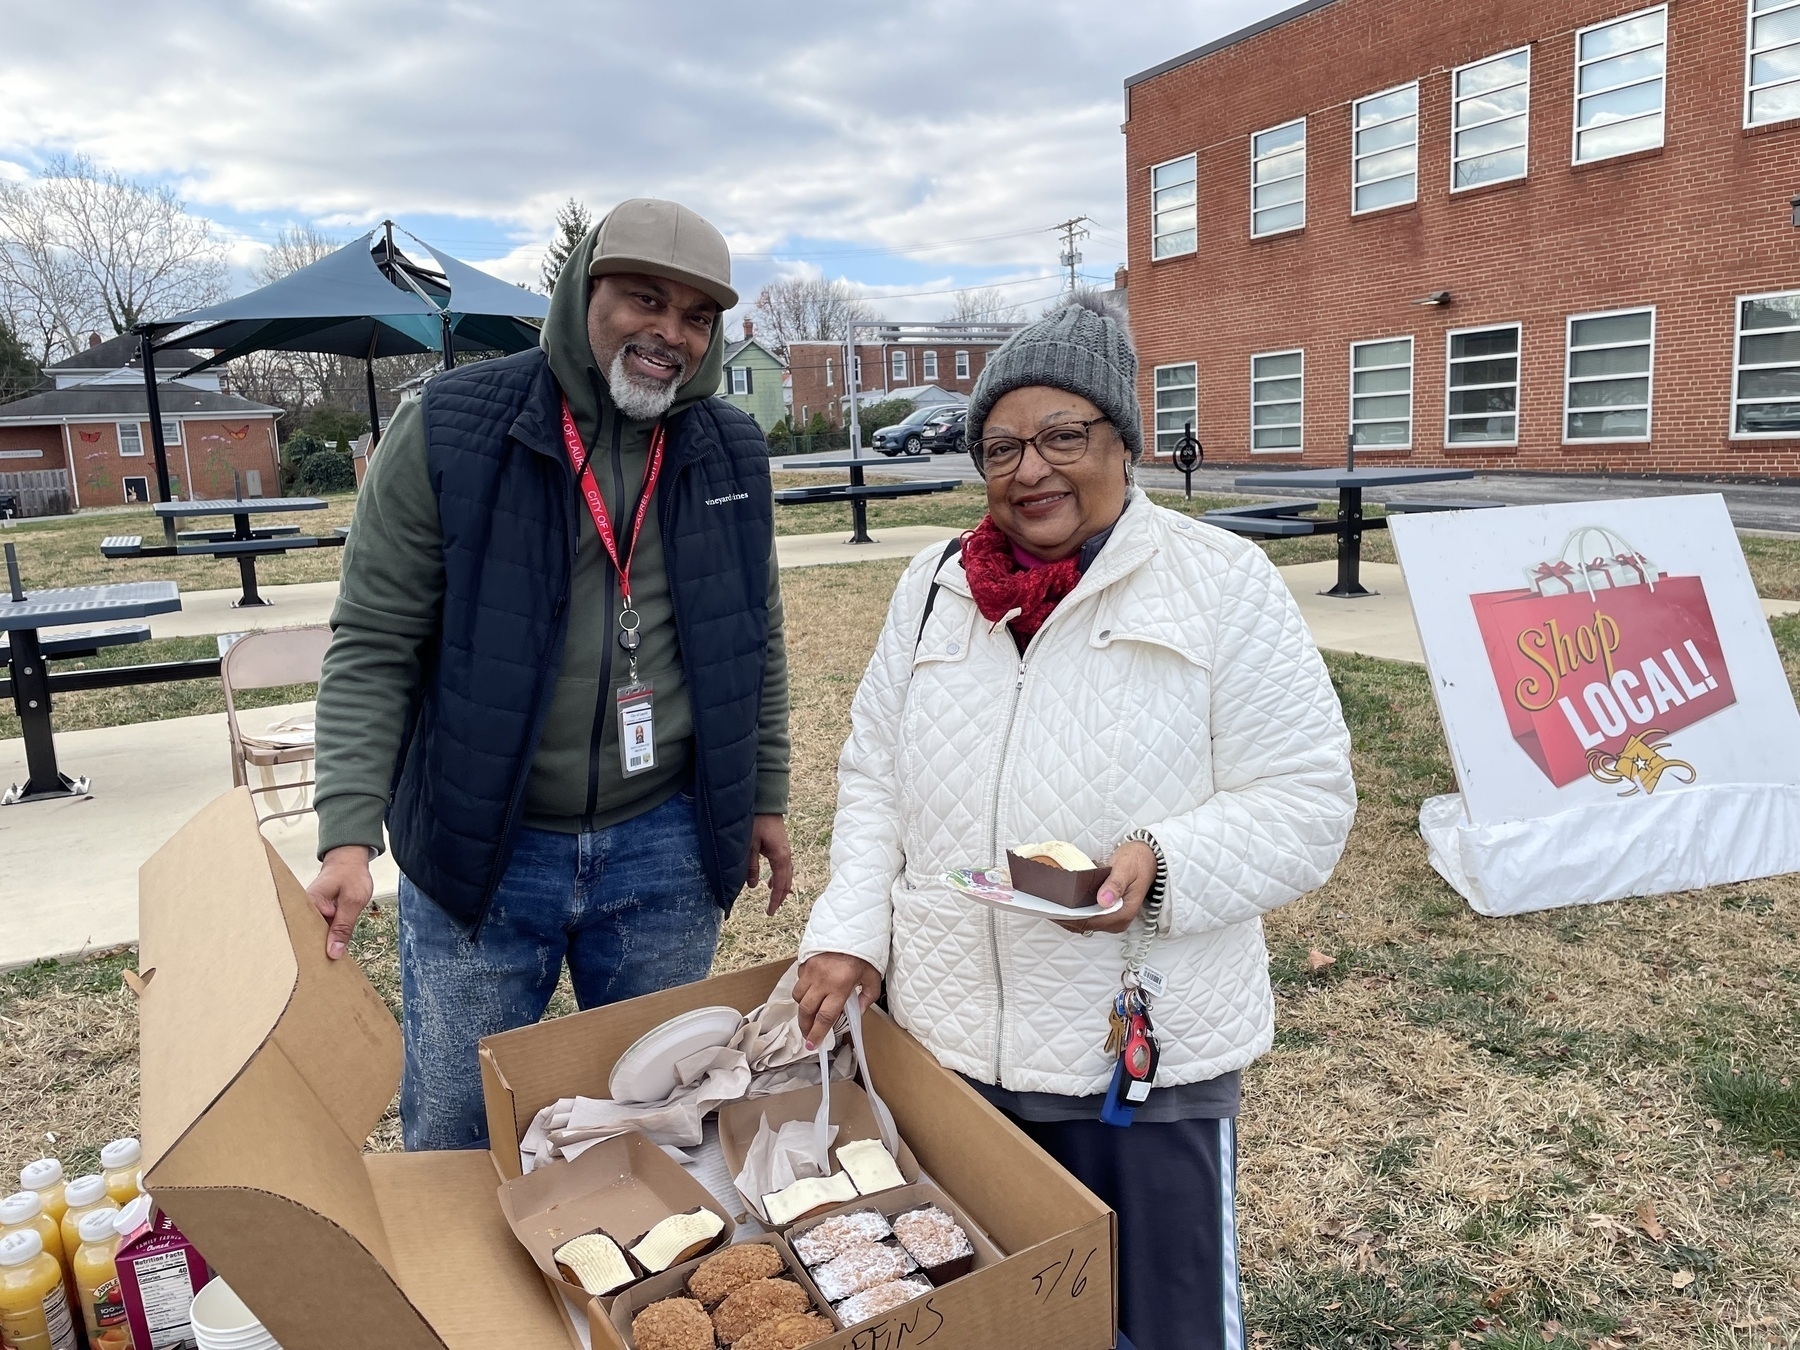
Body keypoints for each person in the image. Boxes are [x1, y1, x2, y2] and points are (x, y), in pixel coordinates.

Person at [793, 297, 1356, 1350]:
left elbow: (1308, 798)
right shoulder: (931, 589)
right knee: (995, 1320)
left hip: (1138, 1062)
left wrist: (1166, 862)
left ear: (1124, 442)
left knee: (1162, 1327)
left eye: (1064, 436)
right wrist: (846, 930)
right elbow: (874, 777)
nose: (1030, 470)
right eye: (1001, 446)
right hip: (952, 1052)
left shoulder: (1217, 580)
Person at [307, 199, 792, 1151]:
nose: (670, 333)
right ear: (582, 294)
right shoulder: (450, 427)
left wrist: (764, 796)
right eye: (643, 299)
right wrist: (346, 833)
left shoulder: (730, 448)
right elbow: (374, 638)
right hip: (487, 846)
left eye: (696, 317)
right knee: (457, 1128)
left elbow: (756, 638)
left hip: (666, 848)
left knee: (662, 1123)